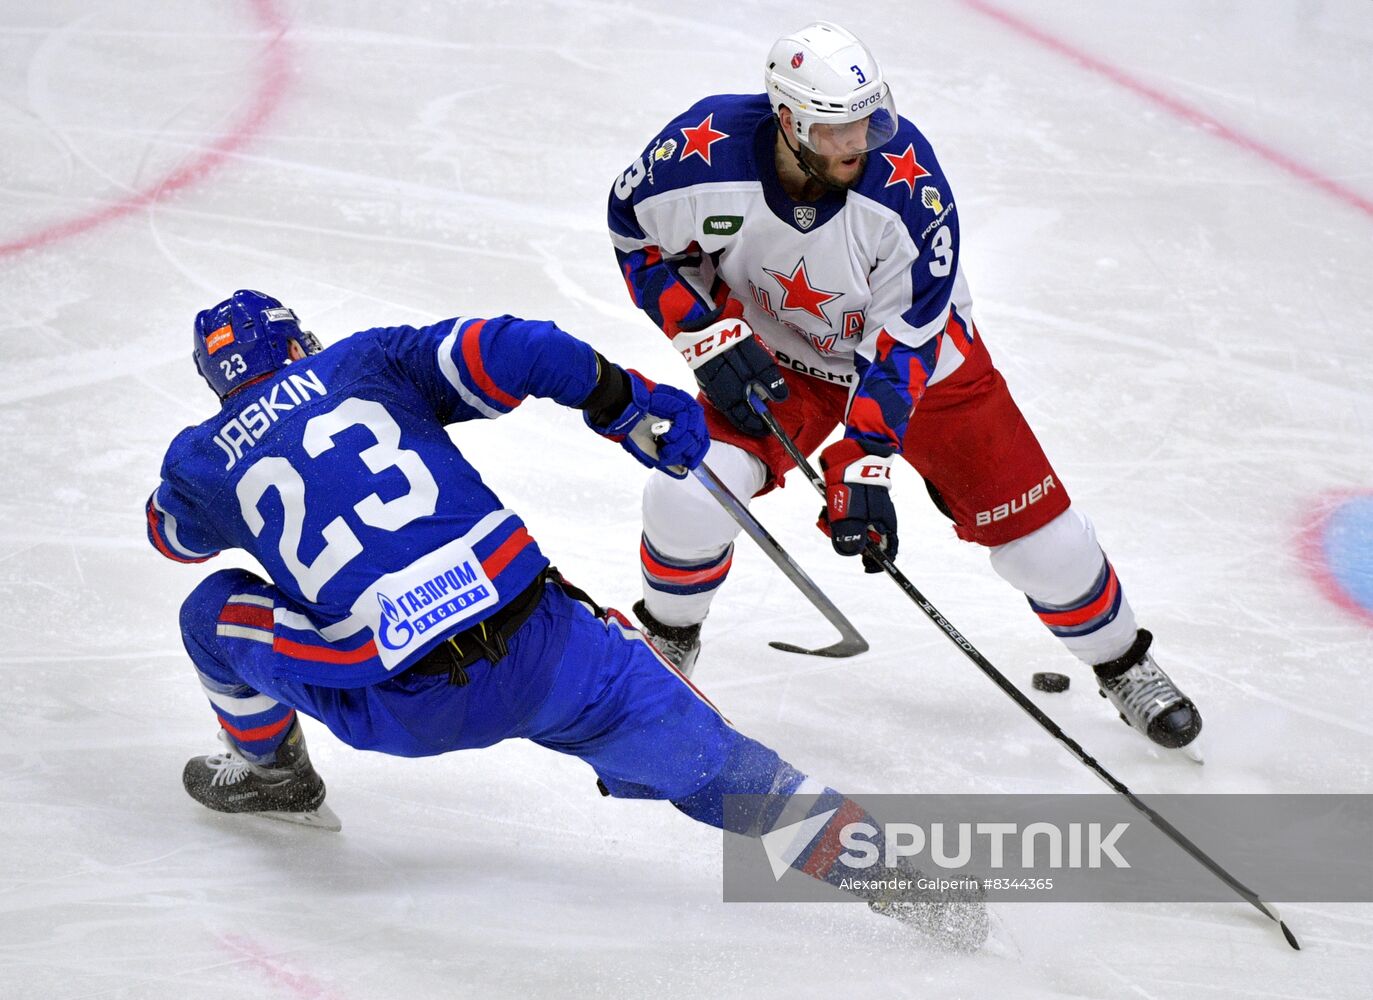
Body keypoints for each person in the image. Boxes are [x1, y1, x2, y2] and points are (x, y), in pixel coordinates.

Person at [145, 289, 986, 950]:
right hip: (548, 651)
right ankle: (904, 879)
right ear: (302, 343)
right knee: (728, 774)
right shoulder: (367, 361)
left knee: (211, 611)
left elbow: (170, 537)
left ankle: (273, 773)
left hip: (398, 701)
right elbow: (521, 349)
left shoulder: (197, 456)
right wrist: (627, 403)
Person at [607, 21, 1202, 755]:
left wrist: (863, 459)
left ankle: (1123, 663)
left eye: (866, 118)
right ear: (787, 121)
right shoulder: (699, 150)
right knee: (686, 494)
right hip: (777, 356)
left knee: (1041, 547)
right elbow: (633, 231)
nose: (858, 142)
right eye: (834, 130)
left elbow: (906, 345)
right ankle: (668, 643)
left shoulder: (906, 188)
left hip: (921, 368)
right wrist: (698, 332)